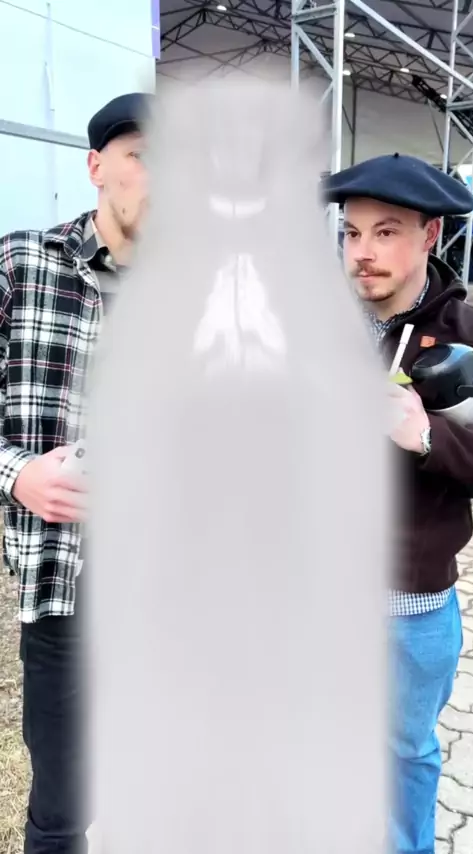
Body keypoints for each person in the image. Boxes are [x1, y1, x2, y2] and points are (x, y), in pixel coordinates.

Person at [0, 91, 150, 854]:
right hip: (63, 586)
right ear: (96, 167)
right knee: (61, 810)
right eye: (142, 158)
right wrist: (16, 473)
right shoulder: (21, 264)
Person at [323, 153, 473, 854]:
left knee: (404, 753)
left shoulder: (469, 338)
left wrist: (427, 438)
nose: (363, 252)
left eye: (386, 232)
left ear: (430, 234)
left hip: (408, 610)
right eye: (352, 233)